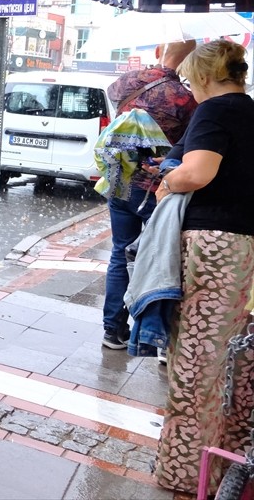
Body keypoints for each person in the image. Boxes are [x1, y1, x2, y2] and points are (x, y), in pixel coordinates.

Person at [150, 40, 254, 494]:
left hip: (212, 246)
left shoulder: (216, 111)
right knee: (230, 361)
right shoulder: (251, 111)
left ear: (209, 76)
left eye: (192, 82)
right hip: (245, 244)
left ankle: (186, 473)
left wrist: (166, 181)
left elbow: (197, 173)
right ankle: (227, 465)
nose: (190, 91)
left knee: (193, 362)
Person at [100, 40, 197, 349]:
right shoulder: (185, 99)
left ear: (158, 51)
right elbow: (190, 144)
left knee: (119, 252)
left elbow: (114, 102)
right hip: (158, 189)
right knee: (161, 259)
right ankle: (156, 335)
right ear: (188, 63)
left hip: (121, 181)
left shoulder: (127, 80)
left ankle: (113, 329)